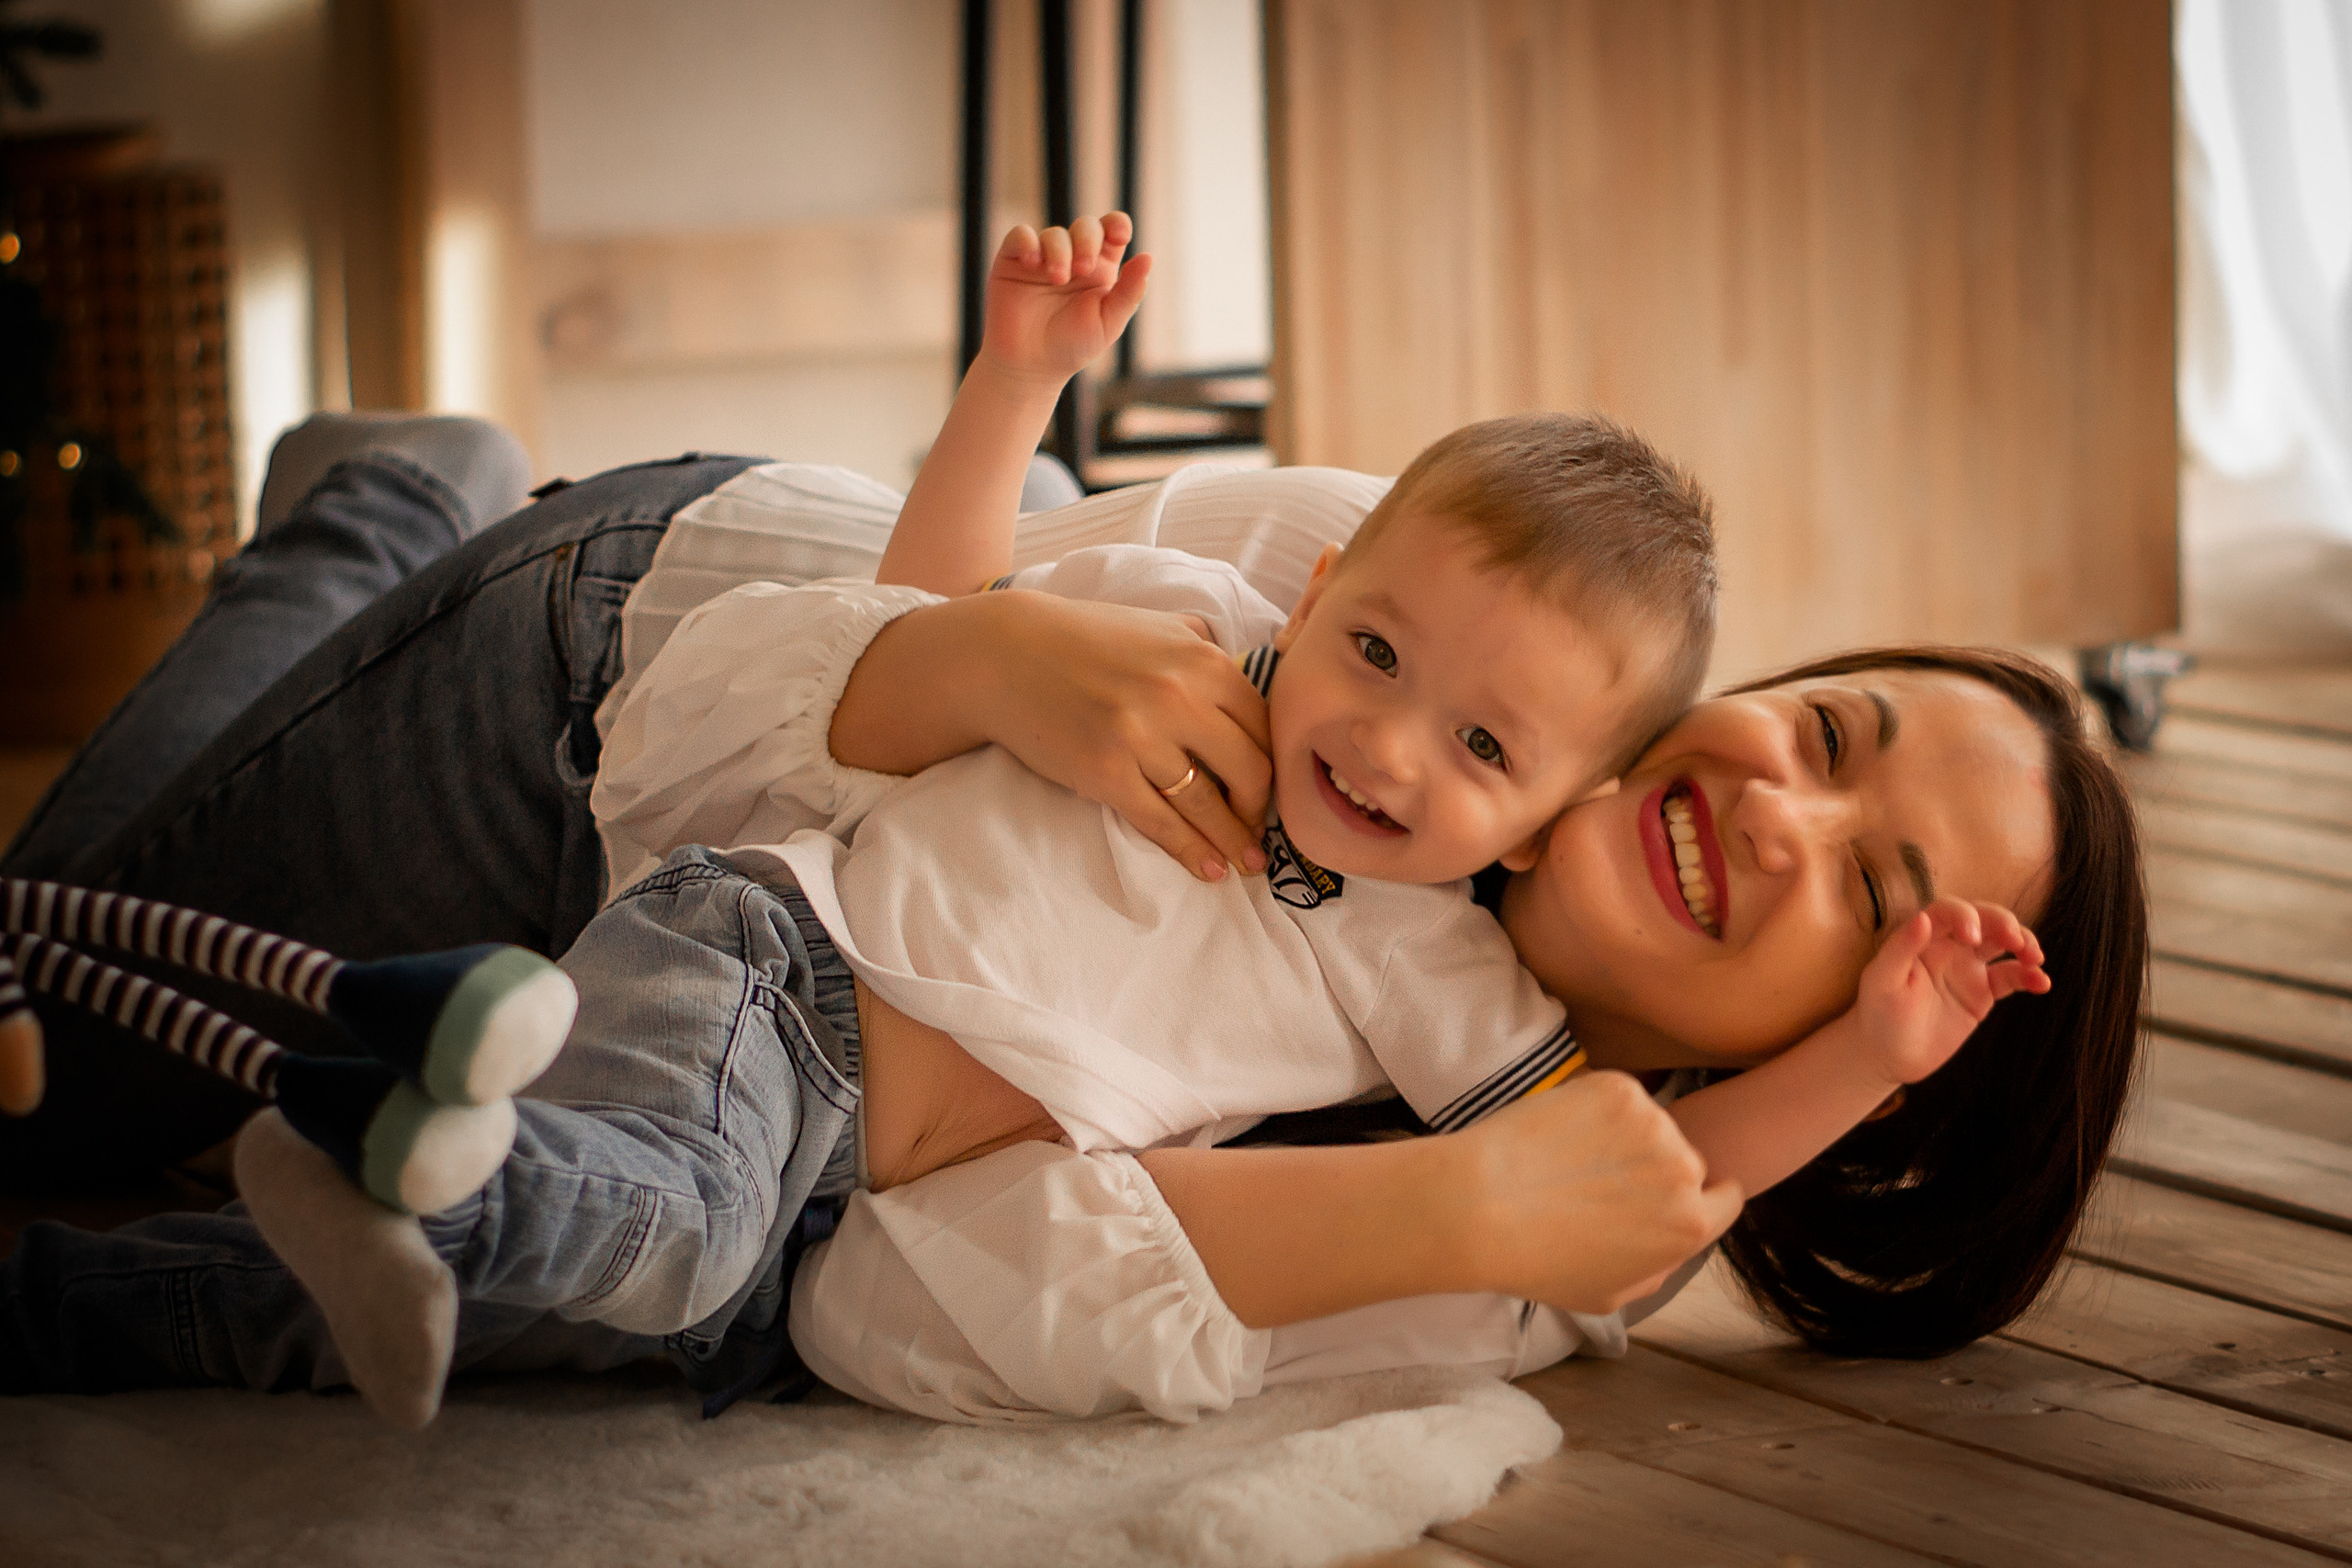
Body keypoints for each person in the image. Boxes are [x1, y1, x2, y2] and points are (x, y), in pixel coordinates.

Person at [0, 248, 2143, 1428]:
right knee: (52, 1057)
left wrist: (1867, 1049)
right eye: (1832, 731)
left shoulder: (1468, 1024)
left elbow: (1657, 1195)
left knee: (390, 1271)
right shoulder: (1318, 598)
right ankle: (396, 509)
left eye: (1872, 886)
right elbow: (846, 658)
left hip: (740, 1064)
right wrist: (1005, 588)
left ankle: (290, 1210)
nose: (1779, 806)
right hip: (647, 682)